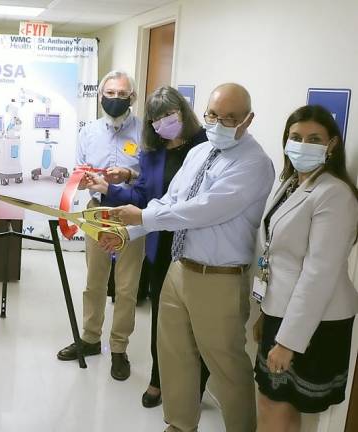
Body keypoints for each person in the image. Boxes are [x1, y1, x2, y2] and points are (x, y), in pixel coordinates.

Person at [104, 83, 275, 432]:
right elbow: (170, 200)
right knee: (174, 356)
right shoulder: (200, 152)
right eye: (213, 115)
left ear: (248, 120)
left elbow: (203, 210)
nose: (218, 123)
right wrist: (127, 232)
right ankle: (180, 424)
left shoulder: (253, 163)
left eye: (230, 118)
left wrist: (142, 218)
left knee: (227, 369)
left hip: (219, 279)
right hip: (179, 269)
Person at [84, 85, 211, 406]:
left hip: (196, 246)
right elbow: (143, 198)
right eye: (156, 119)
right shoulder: (153, 153)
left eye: (169, 114)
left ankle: (194, 386)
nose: (163, 123)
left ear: (183, 112)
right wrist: (108, 190)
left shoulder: (205, 147)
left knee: (194, 324)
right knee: (162, 318)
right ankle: (158, 379)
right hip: (160, 245)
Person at [252, 105, 358, 432]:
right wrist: (264, 313)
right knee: (274, 402)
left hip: (314, 322)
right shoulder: (291, 183)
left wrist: (288, 342)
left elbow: (319, 275)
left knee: (276, 402)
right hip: (281, 309)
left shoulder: (335, 194)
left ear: (332, 145)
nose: (302, 144)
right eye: (295, 137)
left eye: (314, 139)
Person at [55, 70, 145, 381]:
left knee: (126, 286)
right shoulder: (88, 133)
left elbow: (151, 179)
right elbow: (79, 173)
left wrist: (129, 176)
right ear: (100, 95)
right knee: (94, 281)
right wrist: (82, 182)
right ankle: (90, 339)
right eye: (110, 93)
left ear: (132, 98)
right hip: (98, 214)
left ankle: (119, 348)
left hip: (131, 215)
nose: (116, 99)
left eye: (123, 94)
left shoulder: (146, 133)